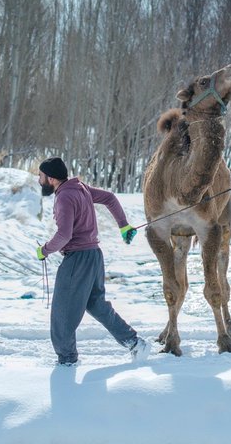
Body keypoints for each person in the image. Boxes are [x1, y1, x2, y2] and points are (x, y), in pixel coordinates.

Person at [35, 156, 150, 366]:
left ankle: (67, 362)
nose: (39, 180)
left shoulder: (65, 197)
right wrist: (123, 225)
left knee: (62, 313)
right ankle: (135, 343)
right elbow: (110, 198)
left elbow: (64, 235)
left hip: (78, 260)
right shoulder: (80, 188)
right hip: (94, 256)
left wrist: (44, 250)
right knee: (96, 305)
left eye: (40, 176)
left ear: (50, 178)